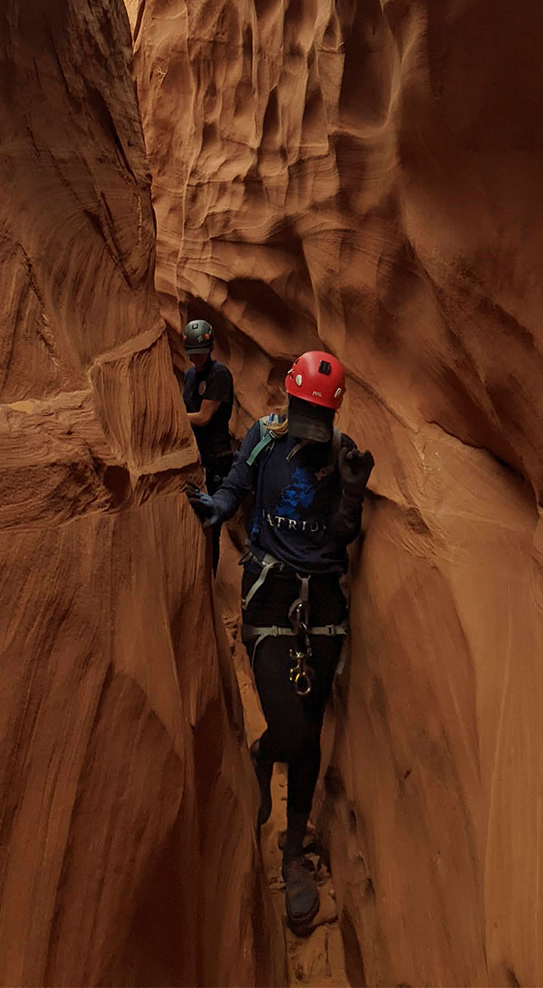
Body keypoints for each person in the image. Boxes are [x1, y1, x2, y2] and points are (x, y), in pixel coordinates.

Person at [187, 350, 374, 934]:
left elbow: (344, 535)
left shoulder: (340, 452)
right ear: (291, 401)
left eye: (322, 416)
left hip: (322, 602)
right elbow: (238, 485)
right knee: (290, 730)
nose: (313, 426)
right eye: (307, 413)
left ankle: (294, 852)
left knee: (312, 733)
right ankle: (266, 754)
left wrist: (351, 493)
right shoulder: (266, 438)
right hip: (269, 595)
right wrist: (216, 509)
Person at [181, 318, 236, 574]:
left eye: (200, 352)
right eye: (194, 353)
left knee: (210, 527)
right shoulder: (190, 374)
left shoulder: (219, 374)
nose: (197, 358)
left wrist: (173, 416)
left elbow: (203, 417)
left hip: (215, 458)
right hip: (195, 455)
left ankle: (209, 582)